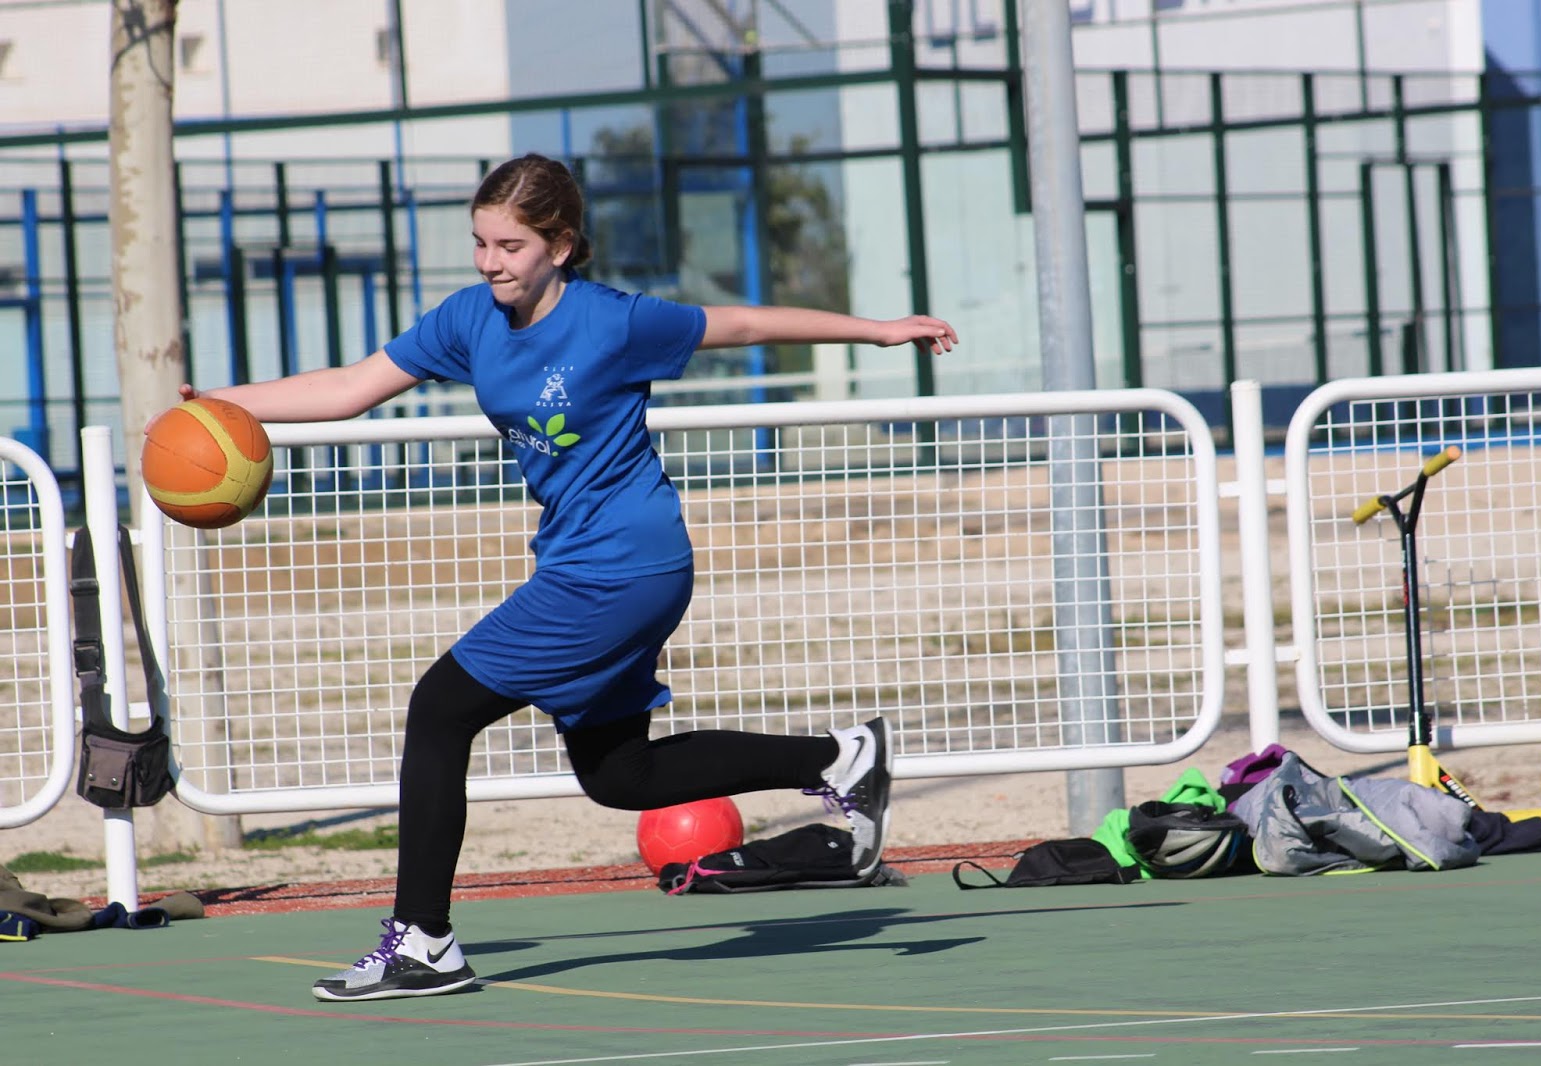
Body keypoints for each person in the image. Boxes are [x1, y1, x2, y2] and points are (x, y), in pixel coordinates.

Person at [158, 152, 959, 1002]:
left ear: (562, 246)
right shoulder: (469, 319)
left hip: (621, 566)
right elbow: (352, 387)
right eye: (480, 242)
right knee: (621, 777)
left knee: (440, 709)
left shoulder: (614, 321)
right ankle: (840, 757)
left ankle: (423, 943)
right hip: (586, 561)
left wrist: (878, 331)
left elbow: (744, 325)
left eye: (510, 245)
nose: (490, 261)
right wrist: (220, 404)